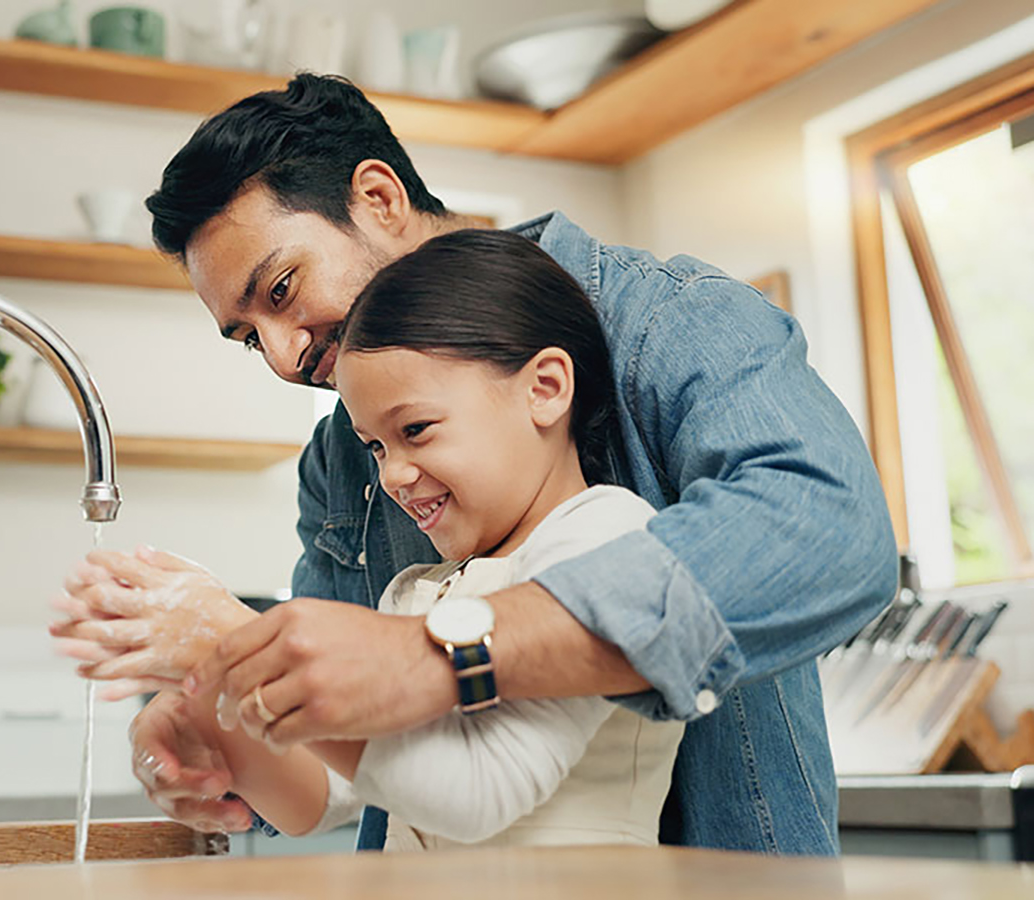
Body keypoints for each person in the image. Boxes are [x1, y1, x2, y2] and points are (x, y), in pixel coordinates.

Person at [57, 73, 896, 855]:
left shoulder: (668, 323)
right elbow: (333, 761)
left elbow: (832, 531)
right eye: (247, 337)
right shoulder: (340, 461)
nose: (280, 358)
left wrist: (436, 657)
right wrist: (224, 721)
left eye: (280, 291)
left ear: (380, 199)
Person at [57, 228, 686, 851]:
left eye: (415, 428)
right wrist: (217, 715)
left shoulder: (606, 534)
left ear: (544, 389)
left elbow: (483, 791)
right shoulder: (414, 595)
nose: (392, 474)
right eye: (376, 446)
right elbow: (323, 797)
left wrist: (228, 642)